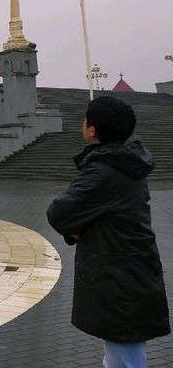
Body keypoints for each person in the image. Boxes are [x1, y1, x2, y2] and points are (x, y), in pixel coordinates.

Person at [47, 96, 169, 368]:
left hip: (120, 277)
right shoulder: (124, 162)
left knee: (125, 357)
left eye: (86, 119)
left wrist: (79, 228)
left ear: (92, 130)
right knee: (120, 353)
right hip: (128, 271)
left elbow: (58, 212)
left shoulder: (105, 170)